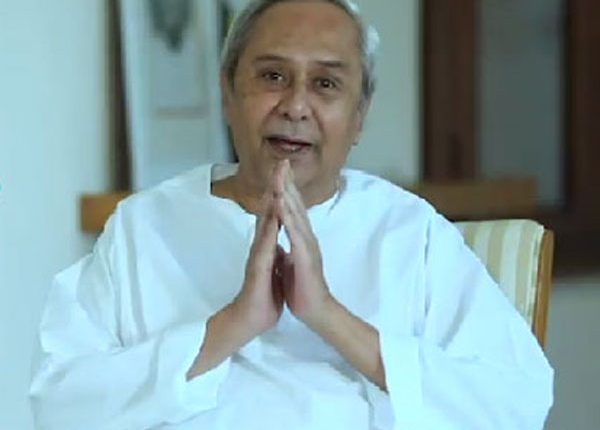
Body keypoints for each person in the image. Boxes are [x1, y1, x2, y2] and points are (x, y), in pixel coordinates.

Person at [29, 0, 554, 429]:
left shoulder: (410, 233)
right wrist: (232, 325)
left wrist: (328, 316)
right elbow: (59, 404)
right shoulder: (144, 228)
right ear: (228, 93)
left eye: (326, 84)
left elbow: (518, 403)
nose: (296, 106)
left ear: (360, 115)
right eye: (273, 76)